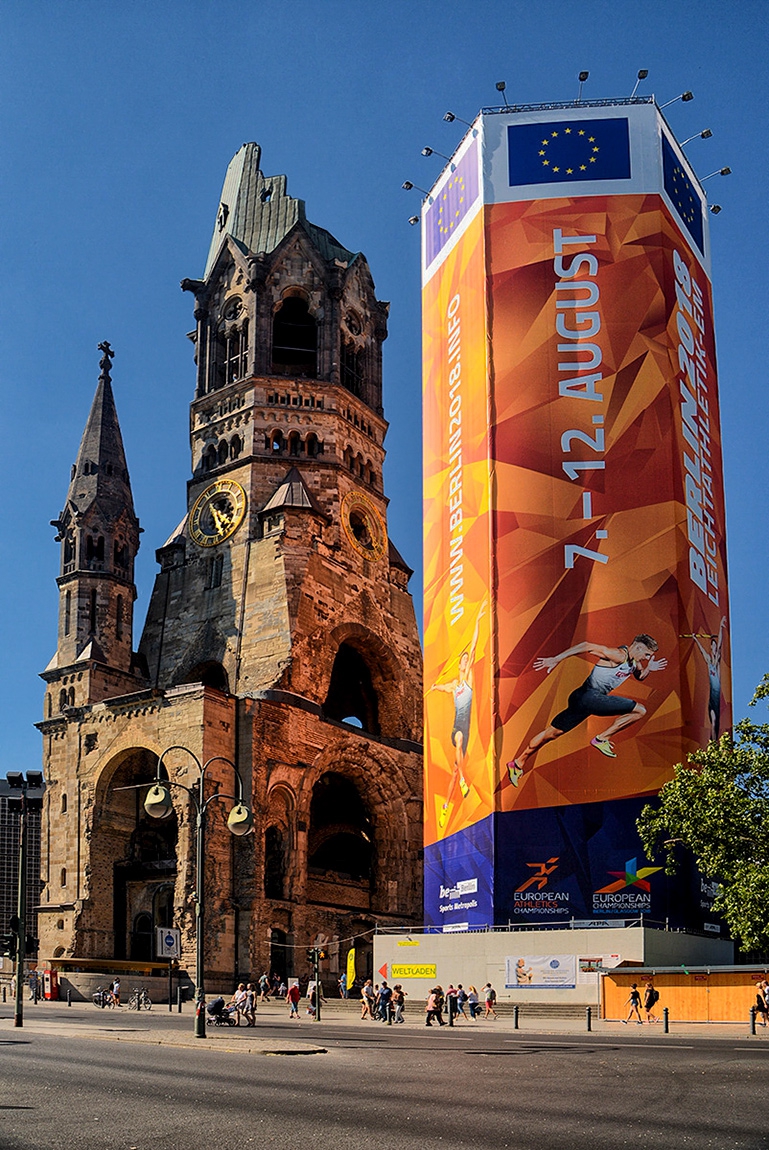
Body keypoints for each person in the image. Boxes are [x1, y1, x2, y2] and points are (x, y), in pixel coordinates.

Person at [507, 635, 667, 784]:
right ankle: (602, 738)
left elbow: (639, 676)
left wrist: (649, 669)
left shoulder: (635, 664)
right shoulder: (618, 655)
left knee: (551, 733)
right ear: (638, 648)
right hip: (589, 696)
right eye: (647, 655)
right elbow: (587, 645)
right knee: (640, 710)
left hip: (584, 699)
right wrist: (556, 659)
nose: (647, 659)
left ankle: (518, 763)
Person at [430, 602, 486, 828]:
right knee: (459, 739)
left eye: (465, 660)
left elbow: (473, 647)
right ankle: (464, 781)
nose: (464, 661)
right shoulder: (454, 685)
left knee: (453, 770)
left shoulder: (469, 680)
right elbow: (441, 687)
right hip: (457, 727)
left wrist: (478, 621)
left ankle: (445, 808)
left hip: (468, 724)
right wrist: (434, 687)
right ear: (459, 665)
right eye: (462, 660)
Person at [691, 616, 727, 740]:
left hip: (718, 699)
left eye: (715, 647)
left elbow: (721, 642)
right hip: (712, 698)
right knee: (714, 720)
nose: (715, 649)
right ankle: (712, 744)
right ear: (711, 649)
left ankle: (714, 743)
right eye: (713, 647)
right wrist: (695, 639)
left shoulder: (717, 661)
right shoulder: (709, 662)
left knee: (716, 723)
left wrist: (721, 627)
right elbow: (702, 651)